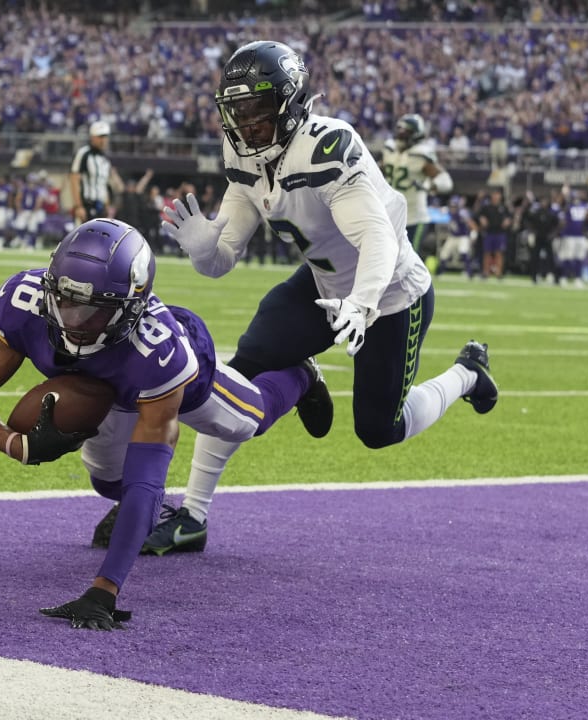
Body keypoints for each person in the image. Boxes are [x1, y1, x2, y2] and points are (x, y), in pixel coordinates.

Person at [140, 41, 498, 555]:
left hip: (390, 293)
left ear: (289, 105)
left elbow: (378, 236)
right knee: (239, 377)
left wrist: (364, 303)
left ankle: (467, 374)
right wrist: (203, 250)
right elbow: (223, 258)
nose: (245, 125)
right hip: (321, 285)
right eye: (236, 112)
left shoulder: (327, 146)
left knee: (379, 429)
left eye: (256, 113)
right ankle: (194, 514)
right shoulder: (243, 153)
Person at [0, 218, 329, 630]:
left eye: (93, 309)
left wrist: (104, 588)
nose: (72, 318)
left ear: (131, 306)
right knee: (108, 483)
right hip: (100, 386)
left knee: (248, 420)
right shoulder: (26, 302)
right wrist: (12, 444)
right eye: (65, 299)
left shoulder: (159, 354)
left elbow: (148, 478)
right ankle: (151, 516)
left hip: (162, 382)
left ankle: (301, 376)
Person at [381, 114, 448, 260]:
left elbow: (445, 180)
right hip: (389, 213)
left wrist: (433, 185)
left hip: (414, 216)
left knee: (408, 261)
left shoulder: (421, 154)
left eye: (406, 131)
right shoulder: (389, 149)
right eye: (400, 130)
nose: (401, 134)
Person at [70, 121, 120, 223]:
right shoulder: (84, 153)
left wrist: (107, 206)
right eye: (100, 136)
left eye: (105, 136)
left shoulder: (105, 159)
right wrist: (79, 206)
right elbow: (74, 180)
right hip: (86, 204)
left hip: (100, 206)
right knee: (83, 237)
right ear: (92, 137)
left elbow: (103, 184)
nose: (104, 140)